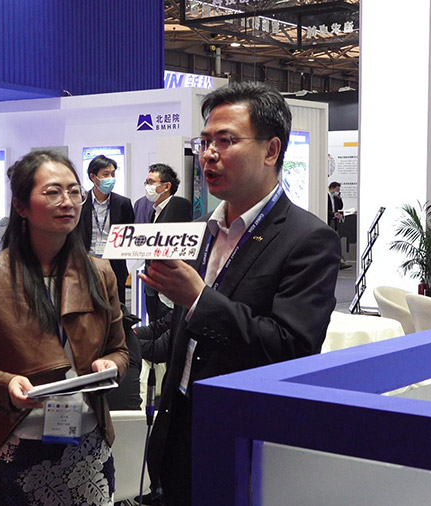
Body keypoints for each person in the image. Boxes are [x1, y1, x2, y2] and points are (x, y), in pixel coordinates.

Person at [139, 82, 341, 505]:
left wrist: (198, 299)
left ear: (271, 150)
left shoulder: (308, 239)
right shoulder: (204, 230)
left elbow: (290, 346)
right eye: (205, 142)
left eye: (226, 141)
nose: (209, 154)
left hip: (244, 434)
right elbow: (187, 328)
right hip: (180, 425)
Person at [0, 151, 128, 505]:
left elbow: (120, 350)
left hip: (86, 446)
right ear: (21, 206)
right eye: (53, 192)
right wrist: (6, 383)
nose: (68, 202)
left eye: (74, 191)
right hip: (13, 443)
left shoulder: (100, 273)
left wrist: (111, 365)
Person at [75, 155, 135, 303]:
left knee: (117, 307)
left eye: (113, 174)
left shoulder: (123, 203)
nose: (111, 178)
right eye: (106, 174)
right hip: (86, 263)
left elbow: (130, 232)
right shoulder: (79, 202)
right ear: (93, 177)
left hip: (114, 265)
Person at [143, 163, 193, 322]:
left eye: (151, 182)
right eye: (146, 182)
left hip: (167, 292)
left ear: (166, 186)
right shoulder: (154, 211)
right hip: (152, 287)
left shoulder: (177, 206)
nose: (147, 186)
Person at [327, 181, 349, 270]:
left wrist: (339, 198)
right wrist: (333, 214)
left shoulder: (335, 197)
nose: (338, 191)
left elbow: (340, 207)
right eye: (337, 190)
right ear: (332, 188)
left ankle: (340, 261)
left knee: (334, 241)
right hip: (328, 221)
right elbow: (326, 209)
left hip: (334, 222)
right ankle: (340, 261)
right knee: (332, 241)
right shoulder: (326, 196)